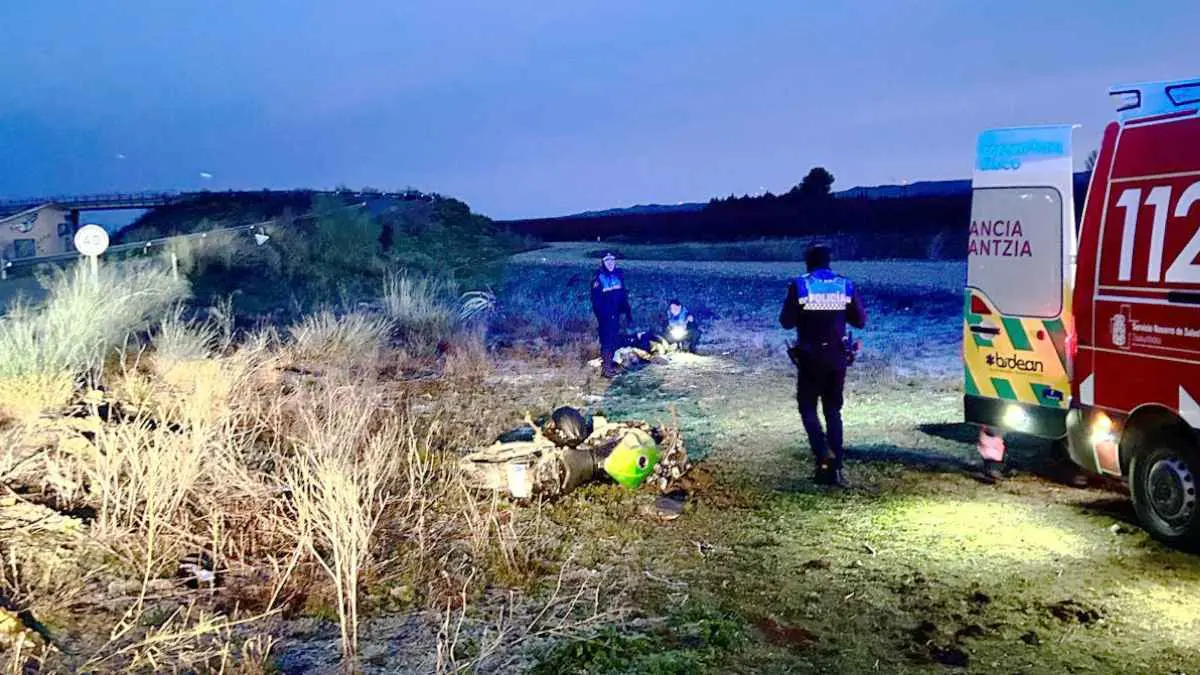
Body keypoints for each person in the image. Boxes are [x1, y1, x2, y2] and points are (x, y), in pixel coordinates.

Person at [779, 244, 866, 487]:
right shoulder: (845, 285)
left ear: (808, 262)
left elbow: (786, 322)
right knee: (833, 411)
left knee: (807, 407)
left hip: (810, 357)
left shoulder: (800, 285)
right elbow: (860, 321)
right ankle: (835, 468)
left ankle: (822, 452)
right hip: (838, 357)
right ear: (829, 262)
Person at [590, 251, 633, 378]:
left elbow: (623, 295)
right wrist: (603, 316)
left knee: (614, 339)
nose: (610, 263)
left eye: (612, 260)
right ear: (603, 262)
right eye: (607, 260)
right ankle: (606, 369)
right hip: (606, 317)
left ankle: (611, 366)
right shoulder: (598, 279)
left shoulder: (618, 276)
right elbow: (596, 302)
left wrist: (627, 312)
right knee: (607, 341)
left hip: (616, 314)